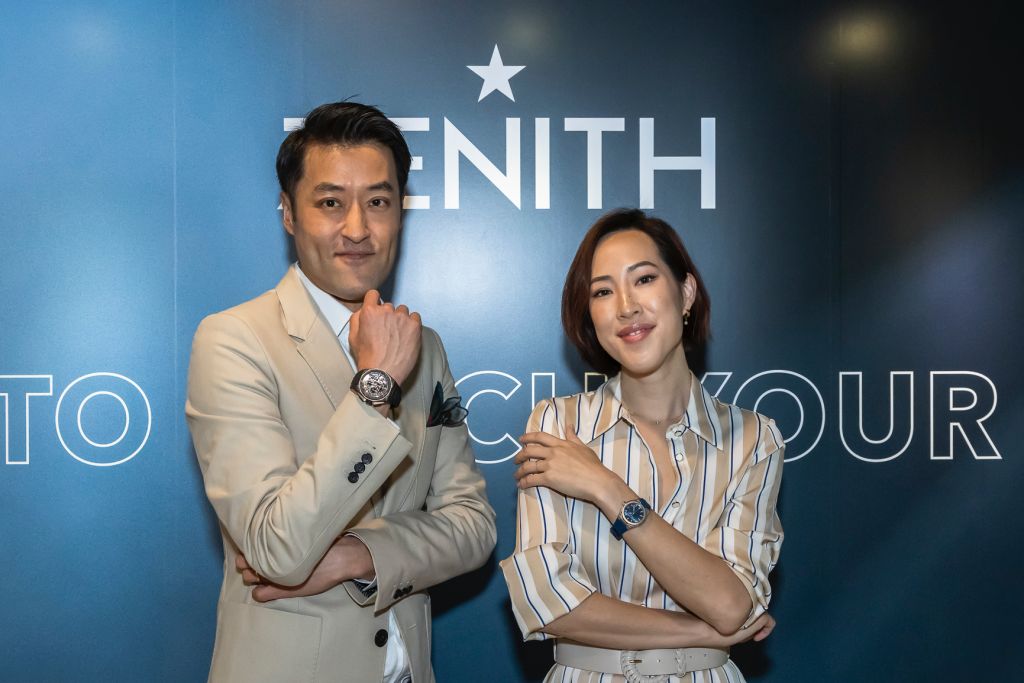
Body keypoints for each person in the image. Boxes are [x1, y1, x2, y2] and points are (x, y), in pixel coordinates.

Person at [186, 101, 496, 683]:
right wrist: (376, 385)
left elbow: (473, 525)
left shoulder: (425, 345)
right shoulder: (234, 339)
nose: (357, 228)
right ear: (288, 213)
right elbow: (277, 548)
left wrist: (362, 555)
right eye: (331, 203)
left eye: (378, 202)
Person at [501, 209, 784, 682]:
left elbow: (731, 604)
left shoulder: (753, 439)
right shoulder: (559, 426)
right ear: (590, 315)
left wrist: (606, 487)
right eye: (603, 291)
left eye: (644, 279)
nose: (626, 306)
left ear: (686, 292)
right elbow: (549, 603)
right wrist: (704, 632)